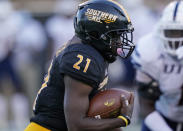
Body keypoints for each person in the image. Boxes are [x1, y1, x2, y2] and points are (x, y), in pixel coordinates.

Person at [24, 0, 135, 131]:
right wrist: (121, 121)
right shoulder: (82, 58)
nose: (120, 42)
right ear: (98, 32)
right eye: (115, 36)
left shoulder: (91, 50)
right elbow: (76, 125)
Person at [132, 0, 183, 131]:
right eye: (171, 32)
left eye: (181, 32)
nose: (175, 38)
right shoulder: (149, 50)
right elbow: (145, 104)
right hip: (161, 116)